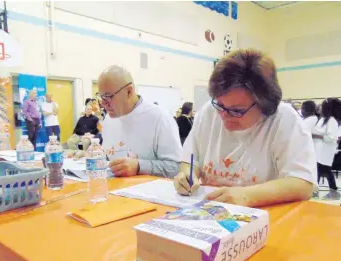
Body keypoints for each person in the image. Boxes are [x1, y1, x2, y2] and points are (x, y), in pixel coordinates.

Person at [174, 49, 317, 207]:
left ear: (265, 104)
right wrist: (187, 174)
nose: (224, 115)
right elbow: (190, 161)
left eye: (236, 110)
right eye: (220, 105)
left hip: (266, 217)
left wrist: (248, 195)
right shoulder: (209, 112)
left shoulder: (283, 119)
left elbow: (302, 184)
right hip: (211, 212)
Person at [98, 65, 182, 178]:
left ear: (129, 91)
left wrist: (139, 166)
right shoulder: (109, 120)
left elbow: (177, 168)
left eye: (108, 96)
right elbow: (108, 158)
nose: (103, 103)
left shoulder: (159, 117)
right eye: (101, 97)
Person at [312, 98, 341, 195]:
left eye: (322, 106)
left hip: (325, 150)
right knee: (324, 170)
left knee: (321, 170)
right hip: (319, 150)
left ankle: (315, 190)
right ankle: (332, 188)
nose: (320, 108)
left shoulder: (332, 120)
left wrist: (317, 135)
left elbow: (331, 138)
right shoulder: (323, 119)